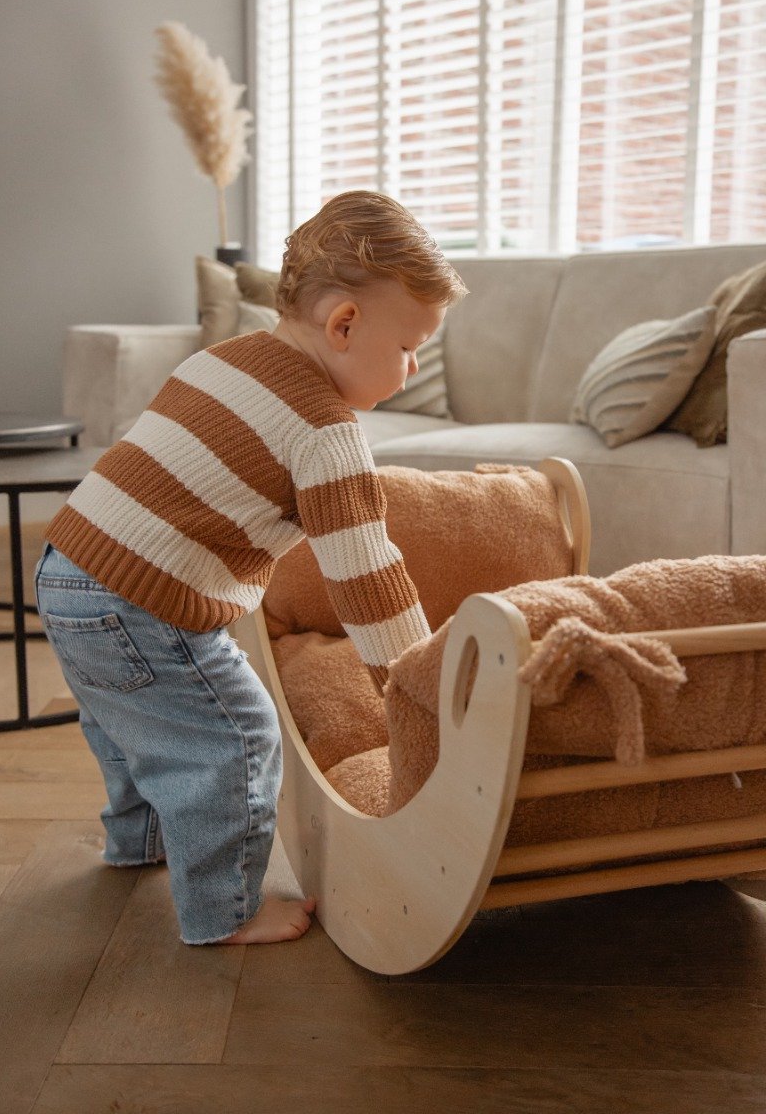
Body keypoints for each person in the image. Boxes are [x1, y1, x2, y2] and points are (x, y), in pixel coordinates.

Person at [34, 190, 468, 946]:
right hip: (142, 602)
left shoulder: (221, 360)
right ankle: (224, 909)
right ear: (343, 325)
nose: (414, 364)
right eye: (409, 347)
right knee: (235, 737)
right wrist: (415, 684)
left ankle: (139, 842)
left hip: (66, 567)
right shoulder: (325, 431)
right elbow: (367, 576)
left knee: (128, 721)